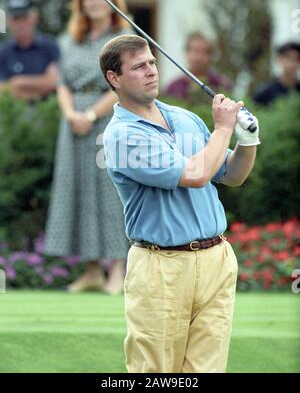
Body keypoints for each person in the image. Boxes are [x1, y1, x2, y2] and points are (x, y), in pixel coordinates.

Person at [100, 34, 260, 373]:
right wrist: (223, 127)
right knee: (157, 373)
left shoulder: (185, 118)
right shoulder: (122, 136)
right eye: (138, 66)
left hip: (216, 261)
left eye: (152, 63)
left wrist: (247, 140)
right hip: (162, 268)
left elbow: (230, 174)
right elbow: (196, 173)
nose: (151, 71)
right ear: (114, 78)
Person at [45, 0, 130, 294]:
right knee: (78, 189)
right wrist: (71, 114)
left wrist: (92, 113)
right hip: (73, 125)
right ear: (81, 4)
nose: (94, 1)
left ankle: (117, 270)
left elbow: (123, 83)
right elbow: (62, 83)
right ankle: (92, 269)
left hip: (109, 120)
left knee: (111, 192)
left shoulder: (122, 38)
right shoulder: (70, 41)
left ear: (112, 2)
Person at [0, 0, 60, 101]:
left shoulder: (51, 46)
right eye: (16, 18)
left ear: (35, 17)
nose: (21, 23)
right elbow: (3, 91)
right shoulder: (3, 52)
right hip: (14, 113)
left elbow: (55, 82)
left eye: (24, 17)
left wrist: (19, 82)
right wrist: (41, 86)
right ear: (8, 21)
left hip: (48, 112)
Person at [165, 31, 233, 104]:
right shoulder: (173, 88)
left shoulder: (222, 84)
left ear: (210, 56)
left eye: (203, 52)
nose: (199, 57)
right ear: (187, 53)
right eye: (195, 51)